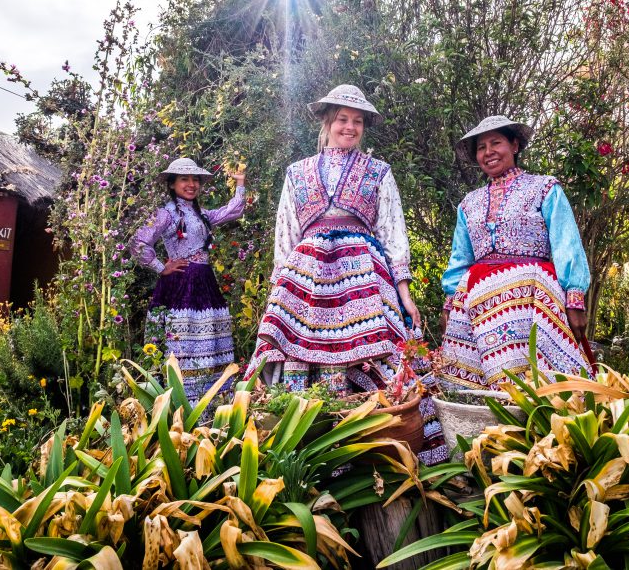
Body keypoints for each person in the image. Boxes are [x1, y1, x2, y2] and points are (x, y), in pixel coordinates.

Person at [245, 84, 422, 393]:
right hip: (307, 281)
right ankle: (309, 427)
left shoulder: (378, 171)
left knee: (379, 353)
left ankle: (372, 425)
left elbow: (392, 232)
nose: (350, 127)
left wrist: (404, 294)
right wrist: (278, 294)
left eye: (357, 121)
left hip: (365, 280)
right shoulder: (298, 173)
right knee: (299, 349)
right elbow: (286, 234)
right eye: (343, 118)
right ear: (327, 121)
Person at [438, 115, 594, 391]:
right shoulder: (468, 204)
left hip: (533, 296)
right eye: (481, 147)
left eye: (495, 143)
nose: (488, 152)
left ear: (515, 145)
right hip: (478, 302)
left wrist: (575, 298)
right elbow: (460, 258)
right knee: (478, 390)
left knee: (545, 384)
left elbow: (566, 241)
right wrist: (450, 302)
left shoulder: (545, 188)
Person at [132, 158, 246, 403]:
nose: (192, 184)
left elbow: (233, 210)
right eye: (185, 179)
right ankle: (182, 402)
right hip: (181, 284)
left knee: (209, 338)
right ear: (172, 184)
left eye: (196, 179)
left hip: (204, 282)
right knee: (184, 341)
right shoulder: (166, 213)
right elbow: (139, 243)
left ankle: (212, 402)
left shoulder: (201, 214)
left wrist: (240, 184)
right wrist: (161, 267)